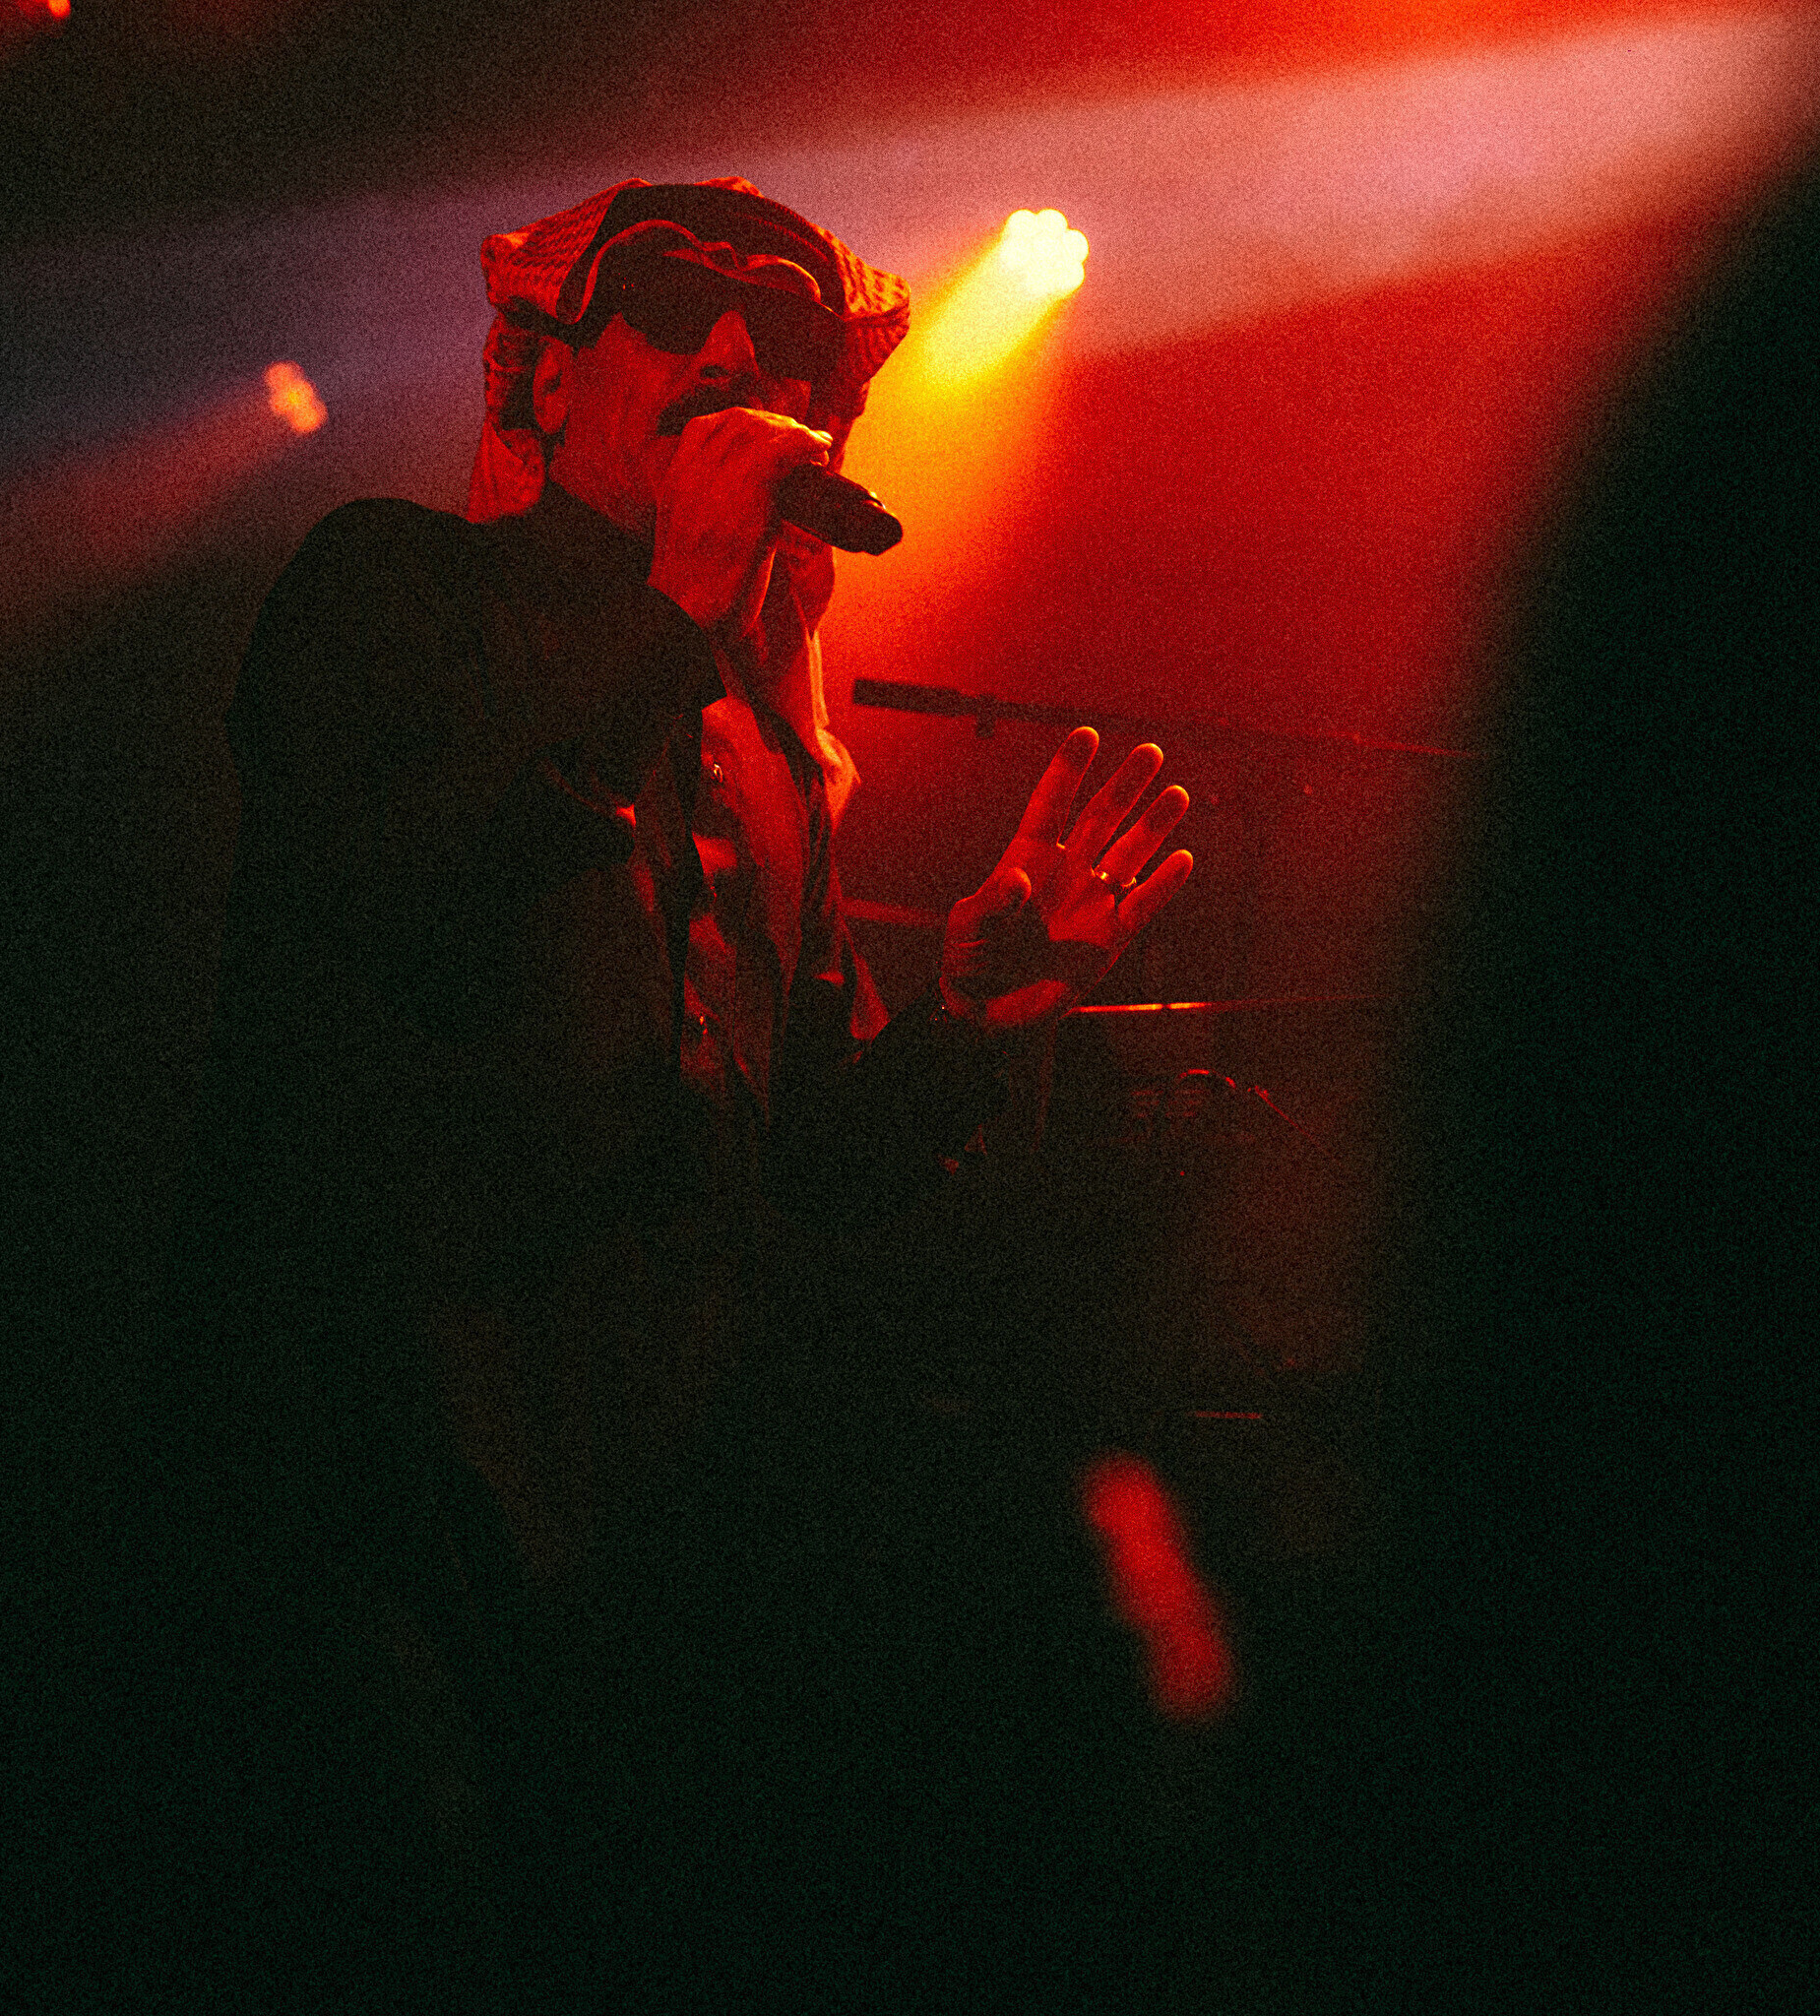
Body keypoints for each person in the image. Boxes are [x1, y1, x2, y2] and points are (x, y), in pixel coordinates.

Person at [165, 176, 1197, 2002]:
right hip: (373, 1521)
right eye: (671, 300)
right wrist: (670, 615)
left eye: (782, 331)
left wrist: (970, 1020)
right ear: (547, 378)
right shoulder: (391, 588)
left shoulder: (767, 754)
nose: (731, 347)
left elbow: (799, 1164)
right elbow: (400, 893)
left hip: (662, 1563)